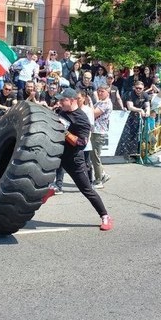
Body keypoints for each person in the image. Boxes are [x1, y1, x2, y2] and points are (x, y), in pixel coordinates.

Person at [43, 88, 113, 231]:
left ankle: (105, 216)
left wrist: (65, 131)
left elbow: (81, 143)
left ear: (73, 100)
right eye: (60, 100)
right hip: (58, 153)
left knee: (87, 189)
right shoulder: (62, 111)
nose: (60, 102)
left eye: (63, 100)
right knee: (38, 172)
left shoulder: (81, 119)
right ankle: (49, 189)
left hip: (74, 159)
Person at [91, 85, 113, 188]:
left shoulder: (106, 103)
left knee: (95, 156)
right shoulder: (100, 102)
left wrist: (90, 104)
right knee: (94, 156)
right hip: (94, 131)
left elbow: (93, 113)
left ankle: (98, 180)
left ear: (107, 93)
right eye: (98, 91)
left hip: (99, 132)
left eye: (102, 91)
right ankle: (103, 174)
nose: (99, 93)